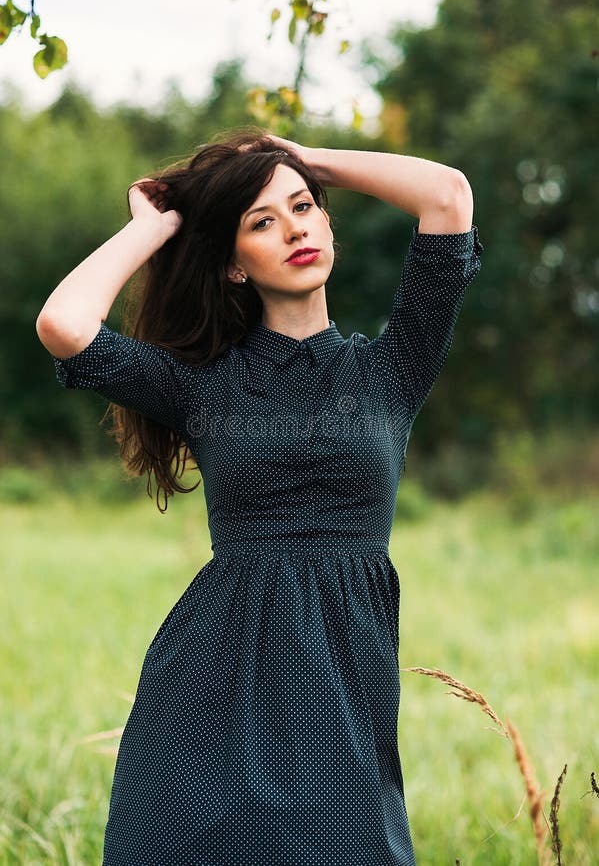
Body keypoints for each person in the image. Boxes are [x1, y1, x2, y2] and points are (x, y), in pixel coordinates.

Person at [36, 127, 484, 865]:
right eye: (260, 222)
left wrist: (302, 157)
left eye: (303, 206)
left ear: (327, 218)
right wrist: (152, 227)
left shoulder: (392, 369)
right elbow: (64, 326)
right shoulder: (200, 382)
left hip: (342, 688)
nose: (294, 228)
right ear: (234, 267)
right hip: (213, 680)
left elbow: (447, 195)